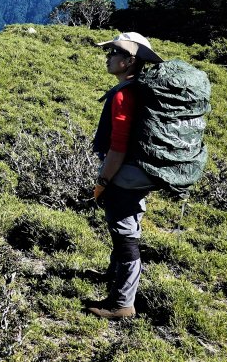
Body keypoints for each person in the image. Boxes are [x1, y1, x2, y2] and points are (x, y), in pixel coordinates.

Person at [86, 32, 163, 319]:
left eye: (113, 53)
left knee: (125, 235)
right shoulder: (139, 89)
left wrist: (102, 182)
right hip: (141, 172)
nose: (108, 57)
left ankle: (122, 303)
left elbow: (117, 149)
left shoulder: (122, 95)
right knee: (128, 225)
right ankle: (114, 276)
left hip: (124, 174)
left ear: (128, 61)